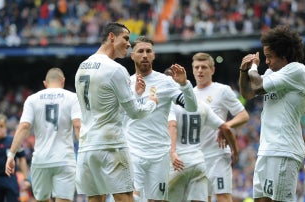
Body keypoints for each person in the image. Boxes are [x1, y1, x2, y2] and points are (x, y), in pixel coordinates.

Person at [74, 22, 158, 202]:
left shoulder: (82, 67)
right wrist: (151, 103)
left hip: (87, 147)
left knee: (95, 199)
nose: (129, 44)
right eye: (126, 38)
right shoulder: (116, 69)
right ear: (112, 37)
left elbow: (105, 104)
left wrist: (133, 93)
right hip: (111, 146)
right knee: (125, 198)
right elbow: (135, 112)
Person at [238, 25, 305, 202]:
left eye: (269, 56)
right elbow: (247, 93)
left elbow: (257, 85)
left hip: (284, 149)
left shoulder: (297, 70)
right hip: (266, 149)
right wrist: (243, 71)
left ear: (283, 54)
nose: (267, 62)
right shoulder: (272, 73)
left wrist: (254, 68)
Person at [124, 35, 198, 202]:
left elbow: (192, 107)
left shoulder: (166, 82)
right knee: (130, 198)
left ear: (154, 55)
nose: (144, 55)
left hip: (159, 154)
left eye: (148, 51)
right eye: (140, 51)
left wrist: (185, 84)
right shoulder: (125, 83)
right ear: (133, 55)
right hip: (132, 151)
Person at [5, 67, 81, 202]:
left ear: (45, 83)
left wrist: (11, 154)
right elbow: (77, 126)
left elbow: (23, 127)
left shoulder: (32, 99)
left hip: (41, 160)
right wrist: (83, 154)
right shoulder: (73, 97)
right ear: (63, 81)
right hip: (65, 159)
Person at [192, 52, 249, 202]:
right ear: (192, 70)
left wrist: (225, 126)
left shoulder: (222, 90)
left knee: (223, 196)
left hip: (217, 154)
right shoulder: (189, 95)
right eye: (196, 67)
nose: (200, 70)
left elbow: (243, 115)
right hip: (196, 156)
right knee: (202, 199)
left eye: (204, 67)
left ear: (212, 70)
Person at [167, 100, 239, 202]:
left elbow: (172, 126)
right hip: (198, 162)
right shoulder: (202, 106)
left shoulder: (172, 105)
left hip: (179, 162)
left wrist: (173, 152)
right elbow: (226, 128)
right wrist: (235, 151)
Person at [0, 113, 28, 202]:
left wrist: (25, 178)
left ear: (6, 126)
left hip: (10, 178)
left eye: (1, 126)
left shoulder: (13, 140)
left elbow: (22, 159)